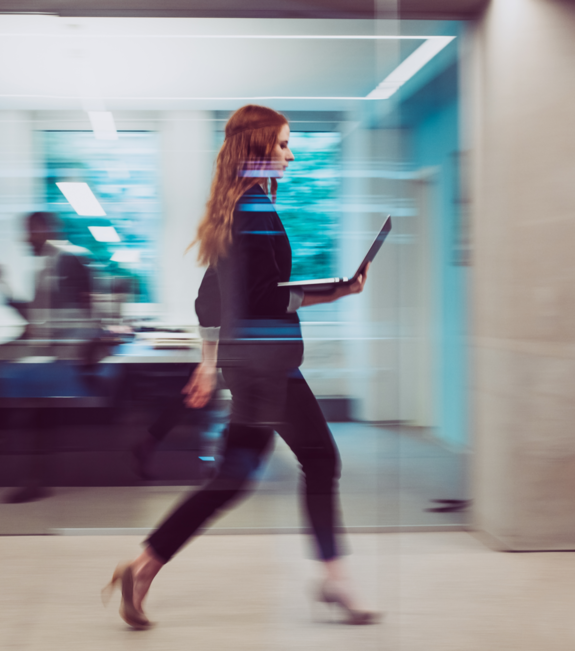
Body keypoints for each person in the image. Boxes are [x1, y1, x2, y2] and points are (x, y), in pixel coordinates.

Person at [103, 105, 379, 628]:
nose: (290, 155)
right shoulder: (255, 213)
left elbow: (210, 300)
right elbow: (263, 301)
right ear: (256, 151)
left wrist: (210, 365)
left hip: (246, 363)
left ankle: (142, 567)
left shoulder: (232, 212)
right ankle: (335, 579)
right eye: (281, 145)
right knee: (320, 460)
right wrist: (337, 290)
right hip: (268, 363)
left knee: (232, 478)